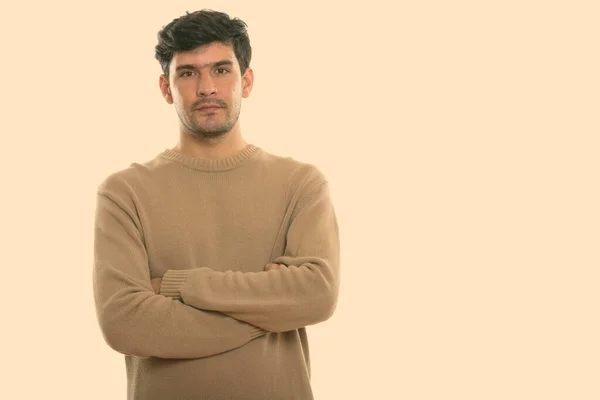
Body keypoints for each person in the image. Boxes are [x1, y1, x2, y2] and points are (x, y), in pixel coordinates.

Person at [92, 9, 341, 400]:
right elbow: (124, 324)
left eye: (221, 70)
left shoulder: (300, 184)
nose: (206, 87)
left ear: (247, 81)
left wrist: (180, 285)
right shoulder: (124, 192)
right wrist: (270, 311)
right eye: (188, 73)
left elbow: (317, 295)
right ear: (165, 88)